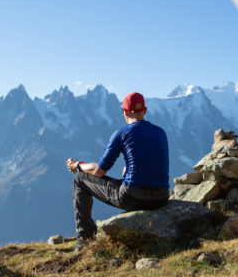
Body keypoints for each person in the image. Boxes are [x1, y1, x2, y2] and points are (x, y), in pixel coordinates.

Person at [66, 91, 170, 251]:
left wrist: (78, 165)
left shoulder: (122, 133)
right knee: (126, 169)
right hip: (161, 197)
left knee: (80, 179)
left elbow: (98, 171)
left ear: (125, 111)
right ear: (145, 110)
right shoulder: (161, 132)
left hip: (132, 197)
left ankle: (85, 239)